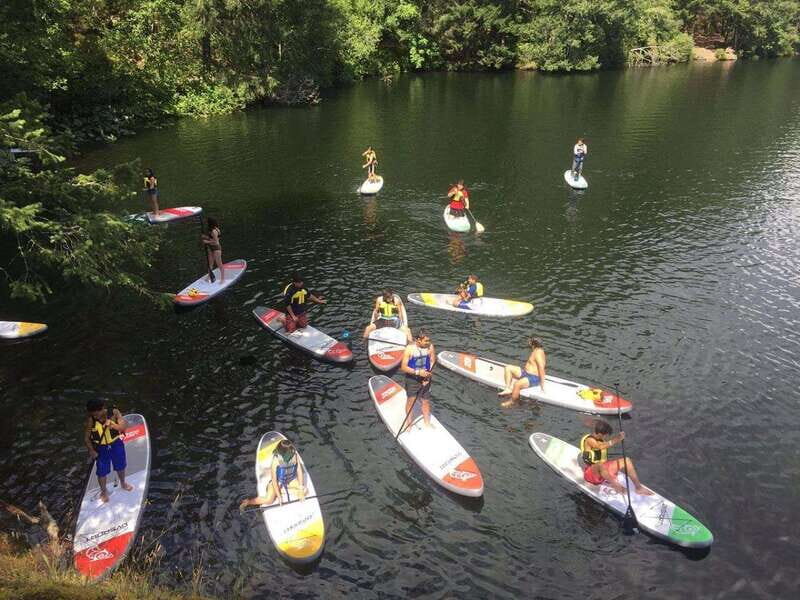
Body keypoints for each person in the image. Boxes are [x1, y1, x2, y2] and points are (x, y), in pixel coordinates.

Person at [580, 420, 653, 496]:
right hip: (592, 474)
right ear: (600, 434)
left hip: (604, 471)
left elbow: (605, 444)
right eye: (605, 435)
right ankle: (616, 486)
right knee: (599, 465)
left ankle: (639, 488)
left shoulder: (599, 438)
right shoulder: (589, 440)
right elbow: (600, 446)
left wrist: (619, 437)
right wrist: (617, 439)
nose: (606, 437)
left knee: (627, 460)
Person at [84, 399, 133, 503]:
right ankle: (103, 491)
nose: (95, 417)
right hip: (101, 448)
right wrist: (91, 450)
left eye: (97, 414)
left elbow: (124, 426)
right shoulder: (91, 420)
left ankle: (123, 483)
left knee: (120, 465)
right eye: (93, 415)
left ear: (102, 409)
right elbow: (87, 438)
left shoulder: (114, 412)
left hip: (116, 444)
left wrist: (113, 425)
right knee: (102, 471)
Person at [239, 439, 307, 510]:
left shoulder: (294, 455)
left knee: (305, 491)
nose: (292, 452)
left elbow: (299, 471)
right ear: (283, 452)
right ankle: (248, 502)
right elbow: (274, 480)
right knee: (269, 500)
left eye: (292, 450)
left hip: (290, 480)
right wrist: (279, 496)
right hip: (278, 481)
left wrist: (301, 488)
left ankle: (284, 491)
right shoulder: (276, 460)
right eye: (290, 451)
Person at [400, 330, 436, 430]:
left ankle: (427, 423)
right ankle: (409, 423)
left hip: (426, 379)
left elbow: (432, 361)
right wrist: (418, 372)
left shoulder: (430, 347)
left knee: (426, 401)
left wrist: (428, 375)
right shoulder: (409, 349)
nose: (428, 343)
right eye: (426, 341)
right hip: (412, 379)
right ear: (418, 340)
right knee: (411, 400)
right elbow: (403, 367)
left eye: (429, 341)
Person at [498, 336, 547, 407]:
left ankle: (512, 402)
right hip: (526, 373)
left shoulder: (538, 353)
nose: (528, 343)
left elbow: (541, 368)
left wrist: (542, 385)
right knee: (508, 368)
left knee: (517, 384)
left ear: (533, 344)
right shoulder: (535, 350)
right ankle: (508, 388)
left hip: (534, 378)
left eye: (530, 342)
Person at [201, 217, 223, 283]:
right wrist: (205, 237)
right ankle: (208, 278)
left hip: (216, 248)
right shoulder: (213, 230)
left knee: (219, 264)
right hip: (210, 248)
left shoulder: (214, 231)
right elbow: (212, 238)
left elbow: (215, 241)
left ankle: (223, 279)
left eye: (207, 223)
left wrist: (206, 242)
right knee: (210, 264)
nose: (206, 224)